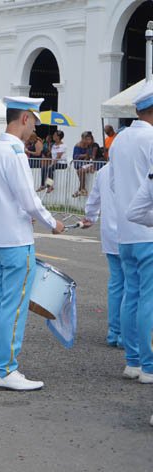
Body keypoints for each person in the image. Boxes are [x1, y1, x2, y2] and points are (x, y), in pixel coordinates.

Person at [0, 97, 64, 391]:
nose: (33, 131)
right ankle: (6, 369)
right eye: (34, 123)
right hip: (15, 240)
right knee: (14, 308)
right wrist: (52, 222)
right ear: (25, 118)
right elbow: (29, 199)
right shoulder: (15, 153)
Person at [109, 80, 153, 384]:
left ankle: (133, 361)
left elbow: (113, 184)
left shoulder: (120, 140)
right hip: (148, 228)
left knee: (131, 295)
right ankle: (149, 366)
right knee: (149, 299)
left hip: (125, 230)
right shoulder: (151, 139)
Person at [81, 163, 122, 348]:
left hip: (110, 234)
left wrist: (90, 217)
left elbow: (94, 199)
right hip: (135, 233)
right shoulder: (140, 165)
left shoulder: (104, 171)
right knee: (135, 287)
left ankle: (114, 332)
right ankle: (127, 335)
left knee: (116, 284)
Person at [72, 131, 103, 197]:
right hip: (92, 163)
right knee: (79, 171)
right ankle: (82, 188)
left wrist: (91, 165)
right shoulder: (88, 147)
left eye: (89, 139)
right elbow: (87, 157)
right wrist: (85, 162)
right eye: (86, 139)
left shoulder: (95, 145)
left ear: (92, 139)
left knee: (82, 170)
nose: (87, 141)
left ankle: (81, 189)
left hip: (98, 163)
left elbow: (93, 157)